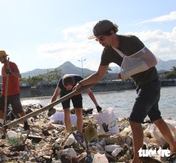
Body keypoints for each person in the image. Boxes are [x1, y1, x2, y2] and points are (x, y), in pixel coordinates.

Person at [74, 19, 176, 163]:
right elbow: (99, 75)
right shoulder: (107, 52)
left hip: (151, 83)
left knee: (134, 120)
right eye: (97, 39)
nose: (99, 42)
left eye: (101, 38)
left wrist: (127, 72)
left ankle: (137, 160)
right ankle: (173, 146)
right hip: (140, 85)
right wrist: (81, 84)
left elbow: (152, 60)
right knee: (156, 119)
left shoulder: (130, 41)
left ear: (111, 32)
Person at [50, 74, 102, 142]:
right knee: (66, 112)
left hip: (76, 92)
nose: (68, 89)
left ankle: (79, 133)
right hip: (64, 94)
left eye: (69, 88)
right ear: (63, 85)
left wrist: (97, 105)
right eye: (66, 87)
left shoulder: (80, 81)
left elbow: (89, 93)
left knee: (79, 112)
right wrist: (51, 107)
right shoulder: (61, 83)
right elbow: (55, 95)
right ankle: (68, 131)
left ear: (73, 84)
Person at [0, 50, 29, 130]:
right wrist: (2, 91)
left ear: (4, 57)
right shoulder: (3, 68)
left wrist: (11, 72)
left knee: (19, 110)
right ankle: (2, 124)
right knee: (0, 108)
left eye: (0, 58)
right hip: (5, 93)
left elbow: (19, 75)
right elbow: (4, 81)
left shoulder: (12, 65)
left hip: (14, 92)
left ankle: (26, 123)